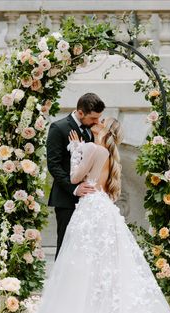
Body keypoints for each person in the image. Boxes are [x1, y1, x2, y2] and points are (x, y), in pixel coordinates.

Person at [24, 118, 170, 313]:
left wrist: (76, 149)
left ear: (103, 129)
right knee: (107, 266)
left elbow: (74, 177)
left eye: (100, 121)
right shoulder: (111, 155)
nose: (96, 122)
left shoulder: (93, 148)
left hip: (90, 208)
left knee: (83, 266)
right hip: (105, 209)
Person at [47, 92, 105, 259]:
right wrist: (74, 188)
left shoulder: (90, 131)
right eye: (93, 118)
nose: (97, 122)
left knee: (84, 249)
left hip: (86, 201)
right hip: (66, 199)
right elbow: (54, 165)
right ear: (80, 113)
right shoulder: (58, 128)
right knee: (66, 246)